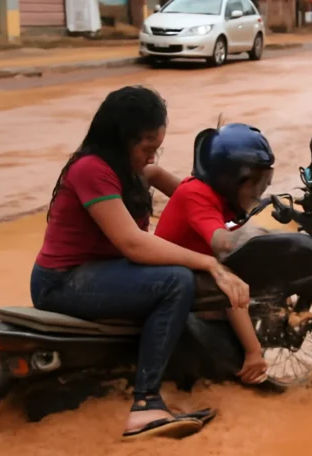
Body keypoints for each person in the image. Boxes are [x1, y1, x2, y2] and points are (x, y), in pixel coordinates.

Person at [31, 86, 250, 441]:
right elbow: (133, 243)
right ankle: (146, 404)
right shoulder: (92, 170)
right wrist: (210, 263)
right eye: (147, 148)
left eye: (157, 148)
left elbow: (191, 194)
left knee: (180, 273)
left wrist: (236, 195)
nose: (152, 157)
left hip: (101, 274)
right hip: (63, 281)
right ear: (121, 139)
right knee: (176, 280)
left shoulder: (136, 171)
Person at [155, 123, 275, 386]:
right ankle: (253, 354)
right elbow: (221, 242)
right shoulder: (198, 195)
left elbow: (153, 172)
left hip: (191, 266)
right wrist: (259, 236)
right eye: (255, 183)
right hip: (171, 273)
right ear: (231, 179)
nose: (259, 190)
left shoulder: (216, 195)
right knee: (230, 280)